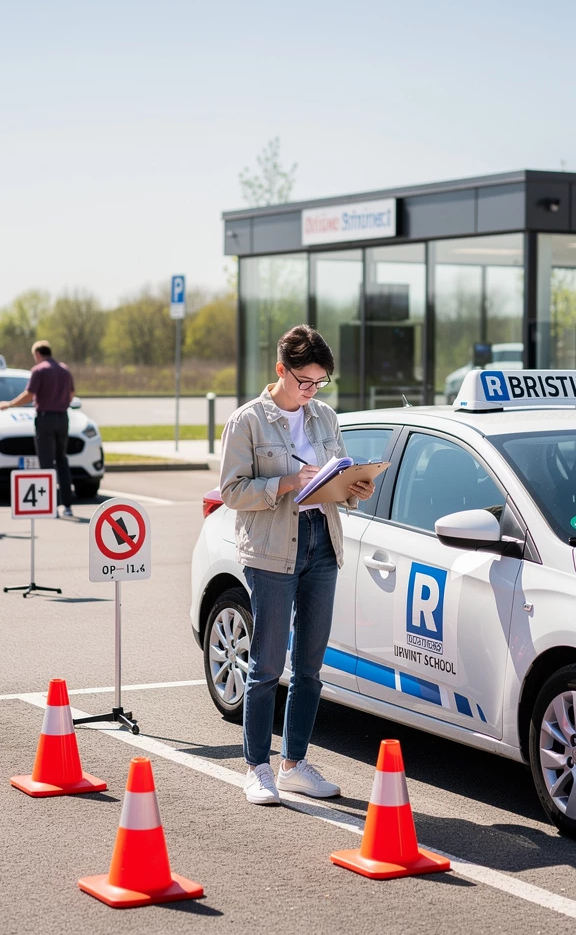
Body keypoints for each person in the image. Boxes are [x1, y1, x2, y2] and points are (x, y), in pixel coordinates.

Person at [220, 324, 375, 806]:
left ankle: (295, 763)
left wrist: (355, 488)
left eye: (319, 383)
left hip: (321, 541)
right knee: (266, 665)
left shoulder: (324, 416)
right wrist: (285, 482)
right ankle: (257, 768)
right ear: (280, 370)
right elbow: (231, 492)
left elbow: (339, 473)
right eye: (304, 381)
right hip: (270, 548)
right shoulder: (246, 421)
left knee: (310, 666)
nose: (310, 392)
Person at [0, 340, 76, 517]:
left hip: (45, 418)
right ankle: (68, 505)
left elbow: (29, 394)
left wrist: (9, 404)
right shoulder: (64, 369)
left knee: (47, 463)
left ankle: (51, 505)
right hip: (63, 417)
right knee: (61, 460)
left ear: (37, 354)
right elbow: (71, 394)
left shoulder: (39, 370)